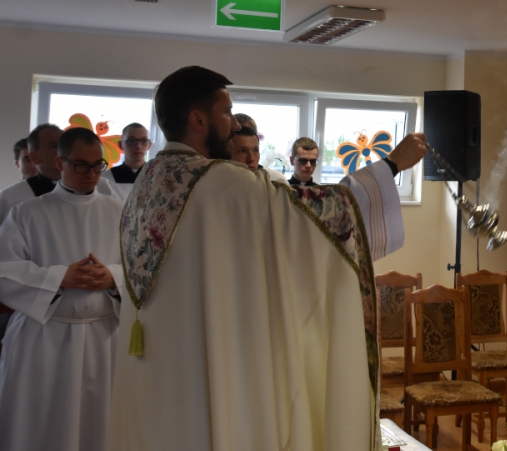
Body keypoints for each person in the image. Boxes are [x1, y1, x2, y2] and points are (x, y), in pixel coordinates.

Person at [109, 66, 426, 451]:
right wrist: (390, 166)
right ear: (198, 119)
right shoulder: (221, 183)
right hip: (205, 369)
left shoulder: (149, 178)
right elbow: (321, 219)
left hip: (160, 369)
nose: (234, 124)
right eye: (226, 112)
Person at [0, 128, 125, 451]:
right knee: (41, 427)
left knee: (100, 428)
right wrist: (58, 278)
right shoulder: (27, 213)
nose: (91, 174)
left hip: (102, 338)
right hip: (43, 339)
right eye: (81, 165)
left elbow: (143, 269)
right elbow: (3, 271)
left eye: (98, 165)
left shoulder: (120, 213)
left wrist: (112, 277)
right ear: (60, 163)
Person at [0, 124, 115, 222]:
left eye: (64, 145)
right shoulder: (10, 198)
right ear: (34, 157)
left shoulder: (101, 187)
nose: (63, 150)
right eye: (54, 146)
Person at [101, 122, 152, 200]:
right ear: (121, 145)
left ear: (149, 145)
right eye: (131, 141)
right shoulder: (105, 179)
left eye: (144, 141)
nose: (138, 146)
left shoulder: (157, 177)